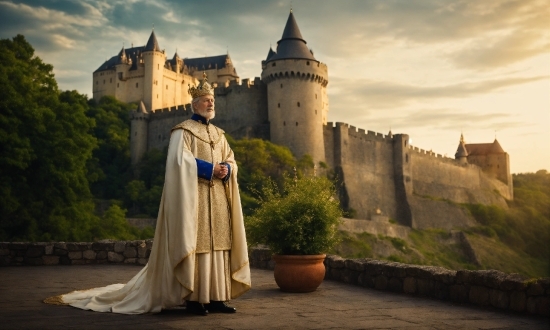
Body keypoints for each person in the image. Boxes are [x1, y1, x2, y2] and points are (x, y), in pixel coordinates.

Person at [45, 73, 251, 315]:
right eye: (206, 100)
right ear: (195, 104)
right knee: (198, 247)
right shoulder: (181, 131)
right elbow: (177, 162)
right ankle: (194, 299)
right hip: (195, 200)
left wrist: (227, 169)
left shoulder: (219, 134)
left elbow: (230, 159)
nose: (210, 103)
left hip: (217, 201)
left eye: (212, 100)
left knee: (219, 248)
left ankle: (216, 298)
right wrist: (209, 169)